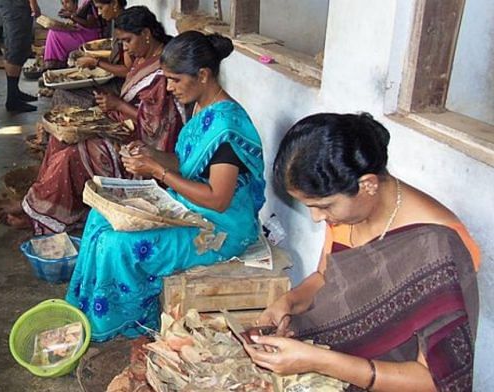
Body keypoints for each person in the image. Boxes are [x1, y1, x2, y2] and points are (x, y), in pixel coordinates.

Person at [246, 113, 480, 391]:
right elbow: (324, 276)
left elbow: (434, 380)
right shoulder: (348, 211)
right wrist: (289, 302)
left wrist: (320, 362)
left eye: (324, 206)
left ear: (367, 184)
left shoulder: (440, 245)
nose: (316, 218)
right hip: (328, 357)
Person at [64, 30, 266, 341]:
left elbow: (218, 199)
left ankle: (121, 320)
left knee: (116, 246)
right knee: (98, 219)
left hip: (219, 229)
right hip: (191, 207)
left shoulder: (226, 127)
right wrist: (152, 155)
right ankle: (87, 307)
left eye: (174, 80)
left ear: (202, 75)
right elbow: (186, 163)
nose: (169, 88)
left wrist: (158, 170)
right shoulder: (202, 107)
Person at [0, 6, 184, 236]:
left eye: (128, 41)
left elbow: (157, 126)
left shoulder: (165, 69)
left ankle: (43, 216)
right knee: (60, 140)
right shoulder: (144, 56)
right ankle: (37, 204)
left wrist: (118, 105)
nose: (125, 47)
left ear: (146, 34)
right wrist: (113, 107)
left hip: (143, 143)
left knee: (72, 156)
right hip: (122, 124)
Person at [50, 0, 130, 109]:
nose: (99, 13)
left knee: (62, 94)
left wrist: (96, 62)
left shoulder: (126, 28)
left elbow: (127, 71)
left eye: (101, 8)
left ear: (115, 4)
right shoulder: (119, 23)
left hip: (121, 85)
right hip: (116, 78)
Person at [0, 0, 41, 112]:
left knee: (13, 45)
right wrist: (33, 4)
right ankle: (12, 100)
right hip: (16, 6)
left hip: (12, 6)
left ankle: (14, 92)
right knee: (16, 47)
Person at [42, 0, 105, 70]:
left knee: (54, 34)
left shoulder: (89, 3)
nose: (64, 5)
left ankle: (55, 64)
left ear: (75, 2)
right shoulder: (82, 5)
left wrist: (71, 16)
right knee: (53, 31)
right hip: (81, 32)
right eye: (63, 3)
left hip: (89, 36)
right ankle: (55, 63)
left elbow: (90, 24)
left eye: (67, 2)